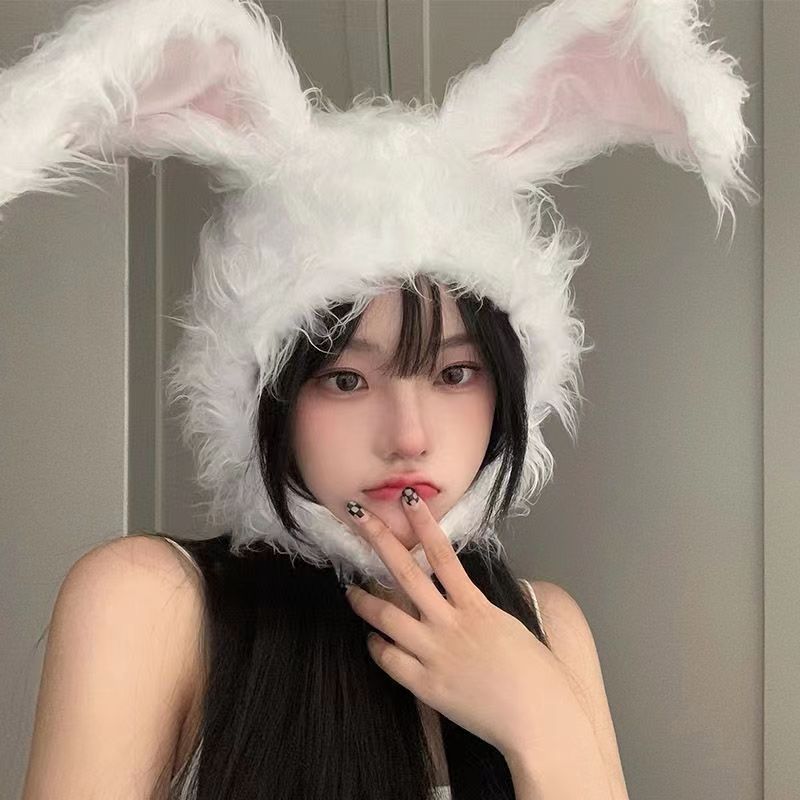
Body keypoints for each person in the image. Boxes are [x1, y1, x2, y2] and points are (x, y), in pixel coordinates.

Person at [4, 0, 756, 797]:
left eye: (454, 374)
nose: (408, 436)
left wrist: (544, 728)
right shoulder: (152, 605)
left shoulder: (547, 627)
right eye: (346, 380)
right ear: (266, 398)